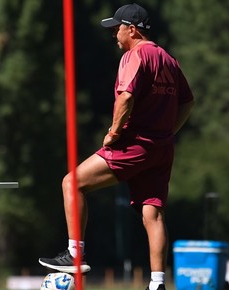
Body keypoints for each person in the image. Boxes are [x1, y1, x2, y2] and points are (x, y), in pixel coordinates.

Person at [39, 3, 194, 290]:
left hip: (133, 143)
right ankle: (157, 283)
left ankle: (74, 254)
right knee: (153, 212)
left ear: (132, 29)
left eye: (117, 28)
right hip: (161, 147)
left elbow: (125, 97)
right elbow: (187, 101)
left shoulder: (135, 55)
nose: (114, 34)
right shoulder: (167, 59)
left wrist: (113, 131)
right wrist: (168, 130)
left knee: (72, 183)